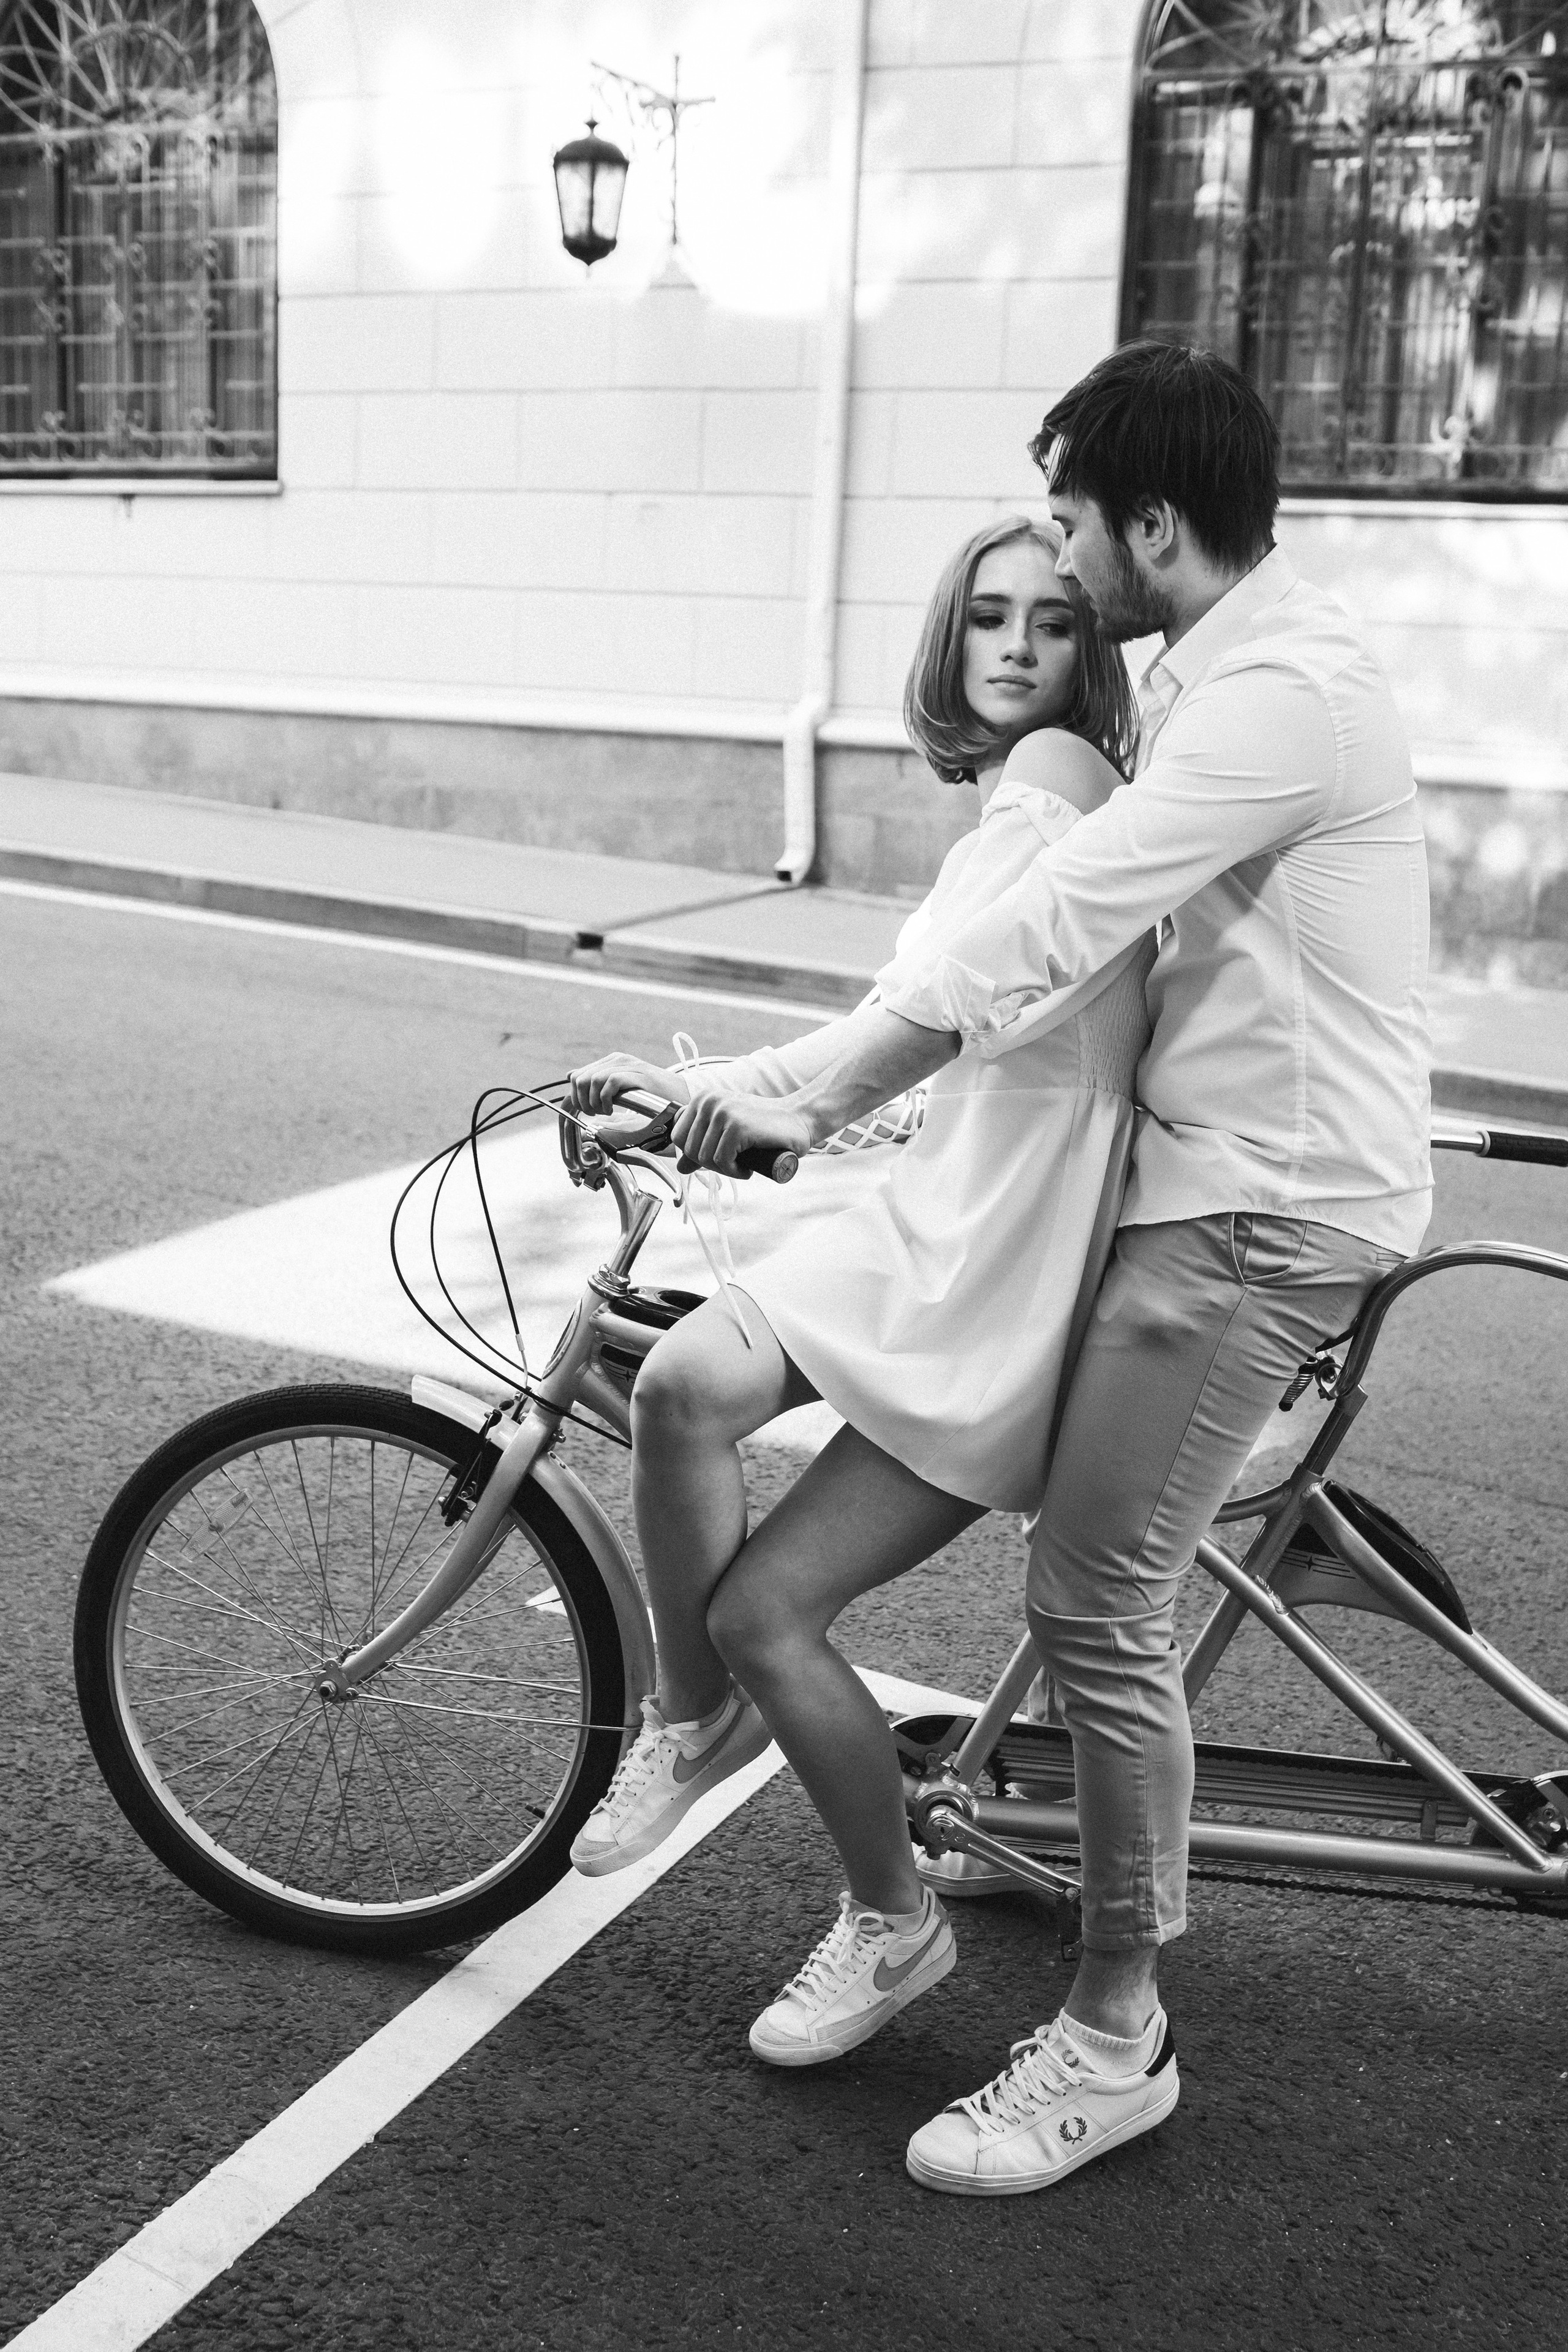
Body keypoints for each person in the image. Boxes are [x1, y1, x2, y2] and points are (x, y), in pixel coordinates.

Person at [596, 341, 1430, 2196]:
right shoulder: (1236, 679)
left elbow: (1052, 923)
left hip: (1260, 1207)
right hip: (1202, 1192)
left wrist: (796, 1098)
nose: (1054, 565)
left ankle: (1117, 2034)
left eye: (1070, 523)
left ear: (1149, 522)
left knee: (1102, 1606)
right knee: (1064, 1594)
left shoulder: (1277, 696)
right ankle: (928, 1874)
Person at [565, 512, 1154, 2068]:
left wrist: (769, 1097)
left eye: (1049, 618)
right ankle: (691, 1723)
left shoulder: (1055, 790)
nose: (1017, 645)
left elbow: (931, 1016)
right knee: (686, 1387)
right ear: (948, 642)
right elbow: (895, 1035)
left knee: (770, 1609)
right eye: (986, 618)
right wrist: (699, 1081)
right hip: (923, 1221)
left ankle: (889, 1918)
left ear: (1091, 649)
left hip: (989, 1279)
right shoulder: (1026, 807)